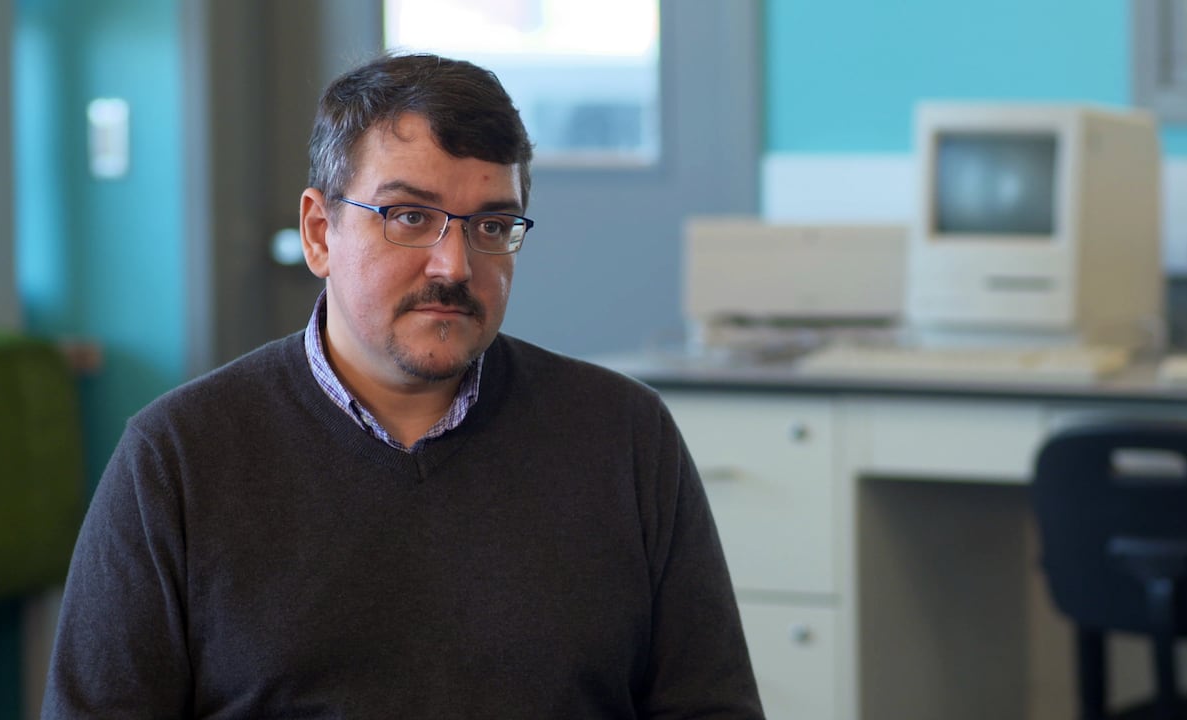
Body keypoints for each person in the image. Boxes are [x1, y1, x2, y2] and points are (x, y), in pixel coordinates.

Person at [42, 53, 763, 718]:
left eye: (492, 225)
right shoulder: (178, 460)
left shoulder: (626, 438)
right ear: (320, 233)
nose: (453, 264)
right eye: (409, 217)